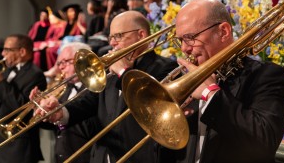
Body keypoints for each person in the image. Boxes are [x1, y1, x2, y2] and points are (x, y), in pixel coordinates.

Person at [33, 11, 179, 163]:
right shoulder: (110, 69)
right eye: (111, 37)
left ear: (141, 35)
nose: (112, 43)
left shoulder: (166, 67)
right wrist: (61, 112)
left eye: (118, 36)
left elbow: (151, 106)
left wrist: (124, 72)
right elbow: (87, 102)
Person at [158, 0, 284, 163]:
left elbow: (264, 143)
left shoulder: (267, 76)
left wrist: (211, 94)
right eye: (180, 40)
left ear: (223, 32)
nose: (184, 48)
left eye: (190, 37)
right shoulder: (183, 79)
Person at [0, 34, 47, 163]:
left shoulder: (36, 74)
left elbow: (22, 107)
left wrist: (0, 82)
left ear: (22, 52)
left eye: (7, 49)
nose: (2, 53)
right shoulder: (6, 71)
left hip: (17, 148)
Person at [30, 42, 97, 163]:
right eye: (59, 63)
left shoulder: (94, 90)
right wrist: (41, 110)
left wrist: (63, 114)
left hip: (86, 158)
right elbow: (55, 127)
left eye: (65, 61)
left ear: (82, 60)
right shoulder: (65, 91)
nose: (60, 67)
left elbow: (90, 127)